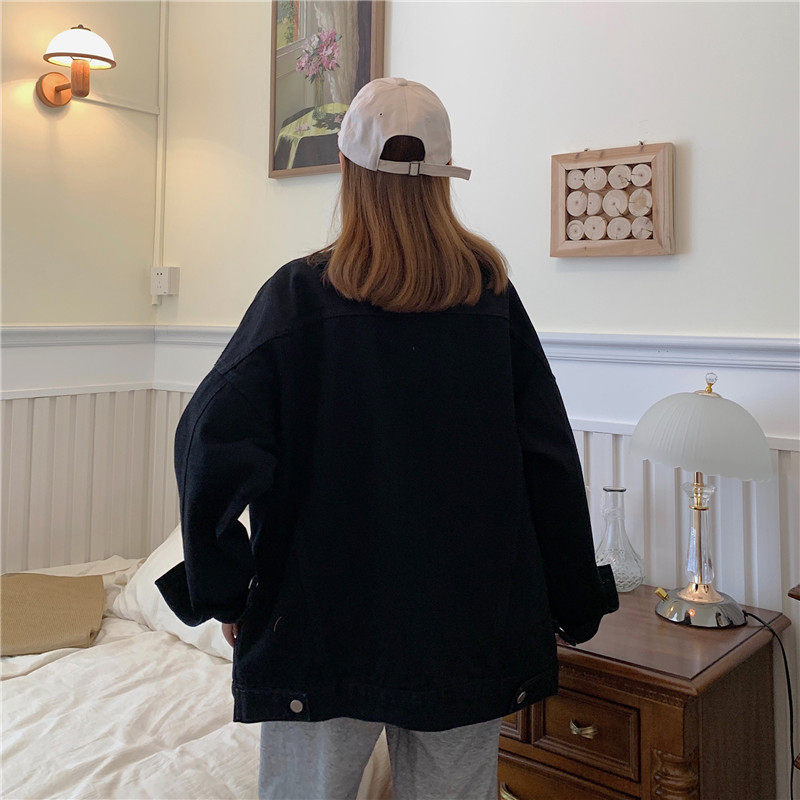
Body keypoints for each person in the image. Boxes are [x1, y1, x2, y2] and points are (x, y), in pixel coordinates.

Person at [155, 77, 618, 800]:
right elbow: (550, 465)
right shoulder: (490, 297)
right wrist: (573, 602)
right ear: (444, 179)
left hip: (318, 626)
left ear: (346, 169)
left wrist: (228, 594)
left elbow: (206, 442)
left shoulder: (297, 298)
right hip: (468, 633)